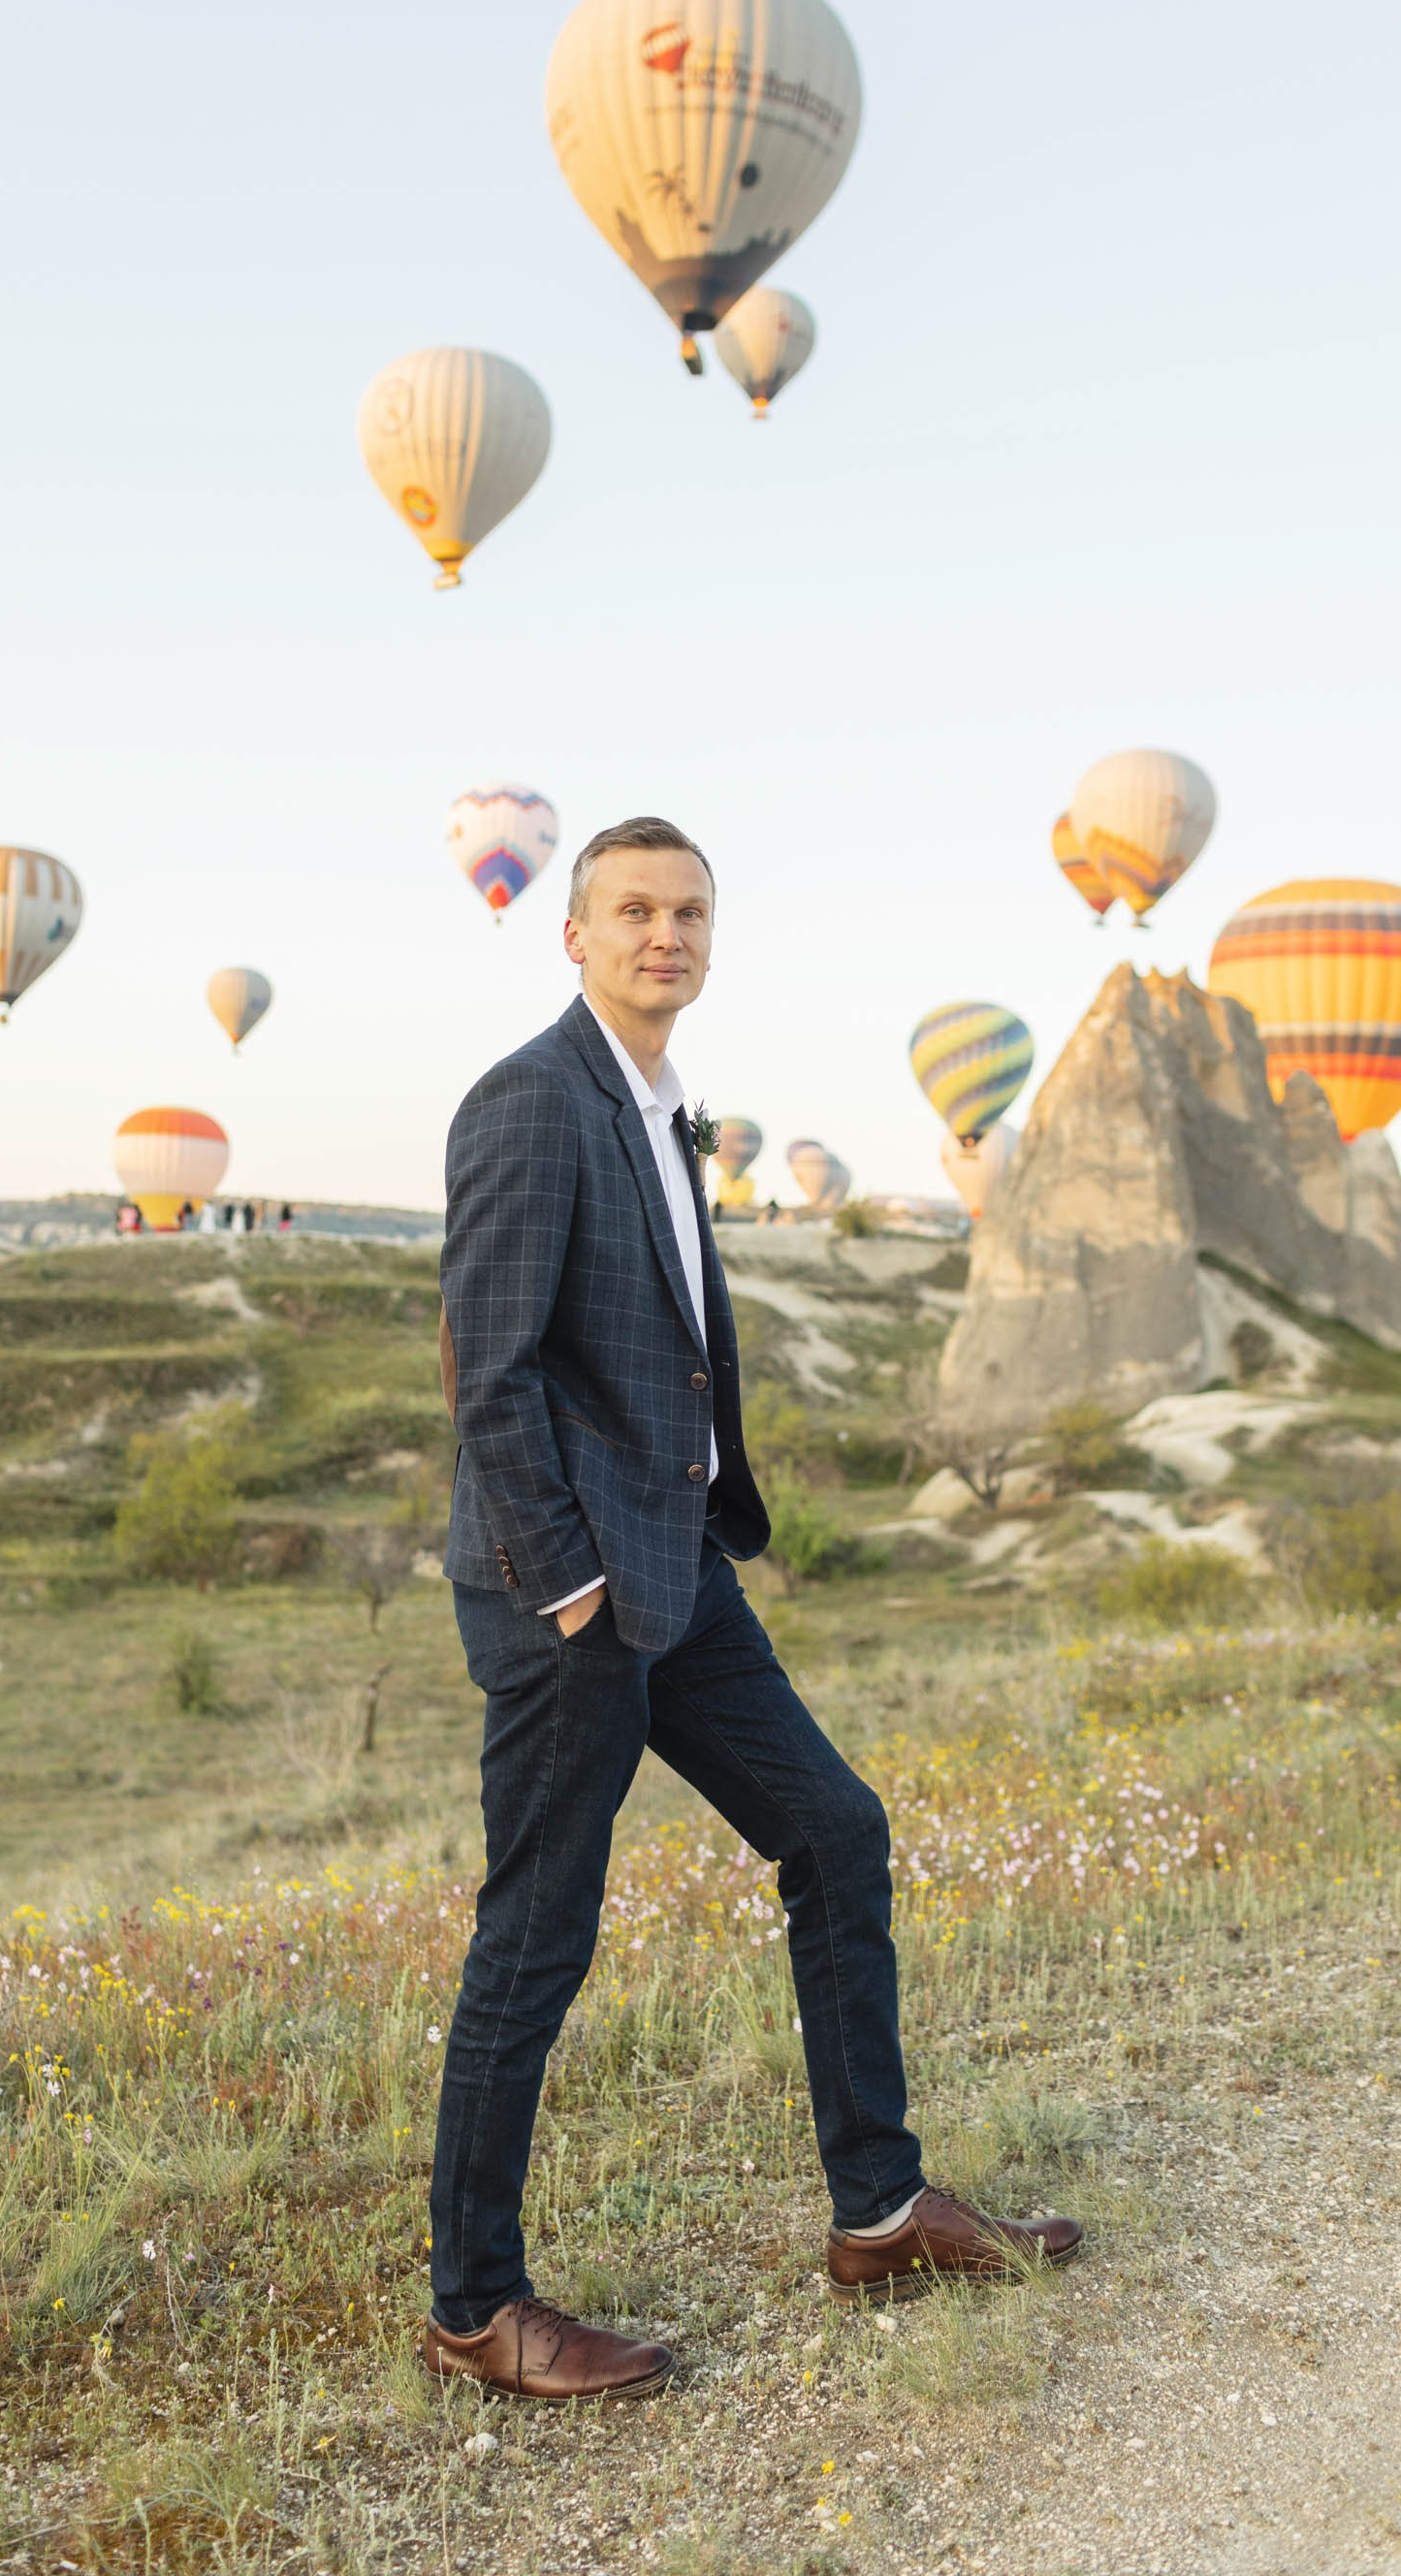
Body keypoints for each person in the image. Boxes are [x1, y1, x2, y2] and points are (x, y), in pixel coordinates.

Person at [426, 815, 1079, 2405]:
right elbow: (485, 1371)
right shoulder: (530, 1098)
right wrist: (570, 1585)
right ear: (568, 934)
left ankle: (875, 2210)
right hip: (575, 1589)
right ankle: (473, 2308)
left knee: (834, 1830)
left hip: (678, 1567)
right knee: (538, 1938)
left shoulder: (661, 1109)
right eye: (634, 910)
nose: (666, 934)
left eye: (689, 911)